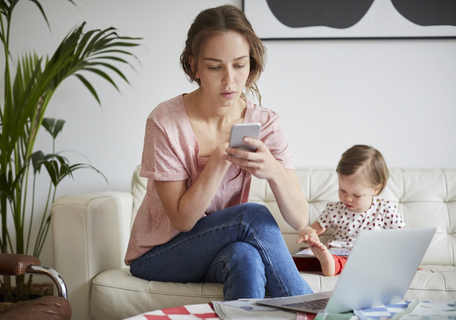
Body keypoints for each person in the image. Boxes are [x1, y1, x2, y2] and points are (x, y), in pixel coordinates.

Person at [124, 5, 313, 300]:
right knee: (251, 216)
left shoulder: (264, 122)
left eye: (239, 65)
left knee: (246, 257)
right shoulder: (165, 122)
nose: (229, 80)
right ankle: (316, 312)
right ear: (194, 66)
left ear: (251, 63)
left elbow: (301, 218)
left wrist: (273, 171)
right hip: (159, 255)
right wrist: (220, 160)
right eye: (215, 66)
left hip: (219, 249)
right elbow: (183, 221)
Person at [297, 145, 405, 276]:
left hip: (370, 255)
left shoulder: (386, 210)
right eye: (342, 190)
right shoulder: (334, 209)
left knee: (378, 260)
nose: (347, 198)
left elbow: (402, 240)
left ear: (375, 189)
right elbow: (313, 229)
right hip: (338, 252)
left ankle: (332, 264)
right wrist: (309, 233)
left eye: (356, 195)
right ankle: (328, 262)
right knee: (306, 259)